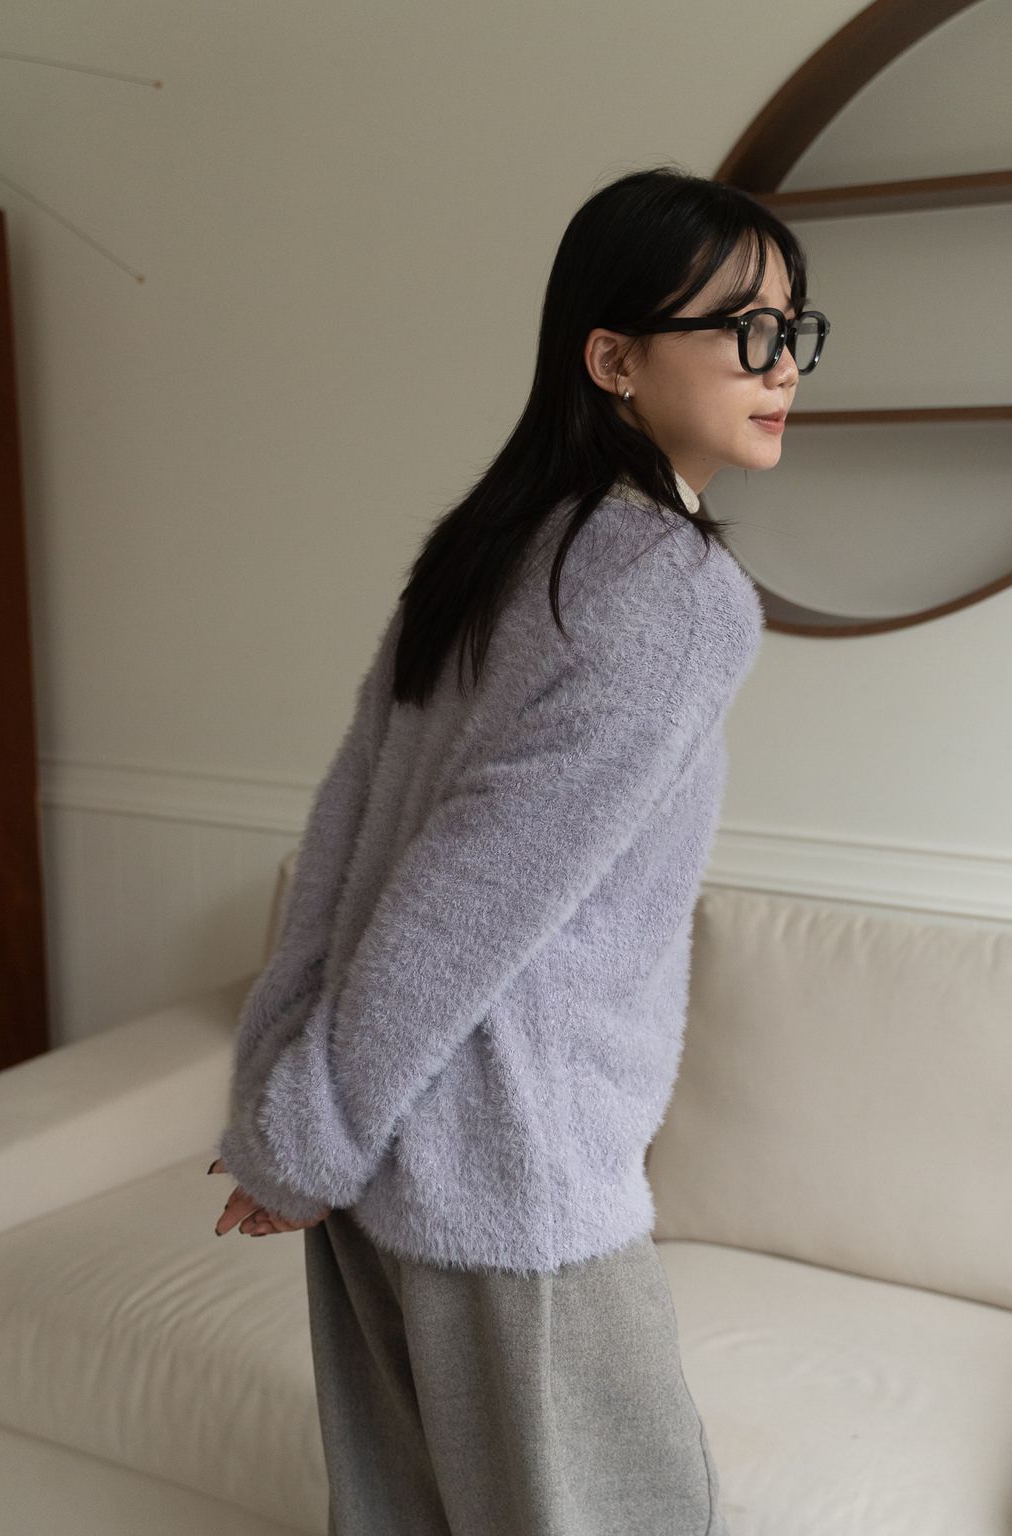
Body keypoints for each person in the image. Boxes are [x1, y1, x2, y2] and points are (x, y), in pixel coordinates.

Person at [208, 164, 829, 1535]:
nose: (779, 363)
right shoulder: (672, 593)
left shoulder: (488, 549)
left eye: (792, 329)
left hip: (387, 1162)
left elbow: (344, 839)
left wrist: (289, 1107)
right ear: (613, 359)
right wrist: (302, 1136)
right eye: (743, 328)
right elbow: (459, 900)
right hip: (509, 1170)